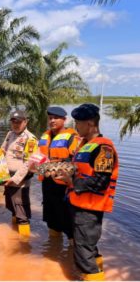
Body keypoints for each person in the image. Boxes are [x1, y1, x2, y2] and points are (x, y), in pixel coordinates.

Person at [57, 103, 119, 281]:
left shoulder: (104, 148)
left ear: (90, 123)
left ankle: (93, 275)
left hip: (90, 209)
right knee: (88, 248)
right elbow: (80, 169)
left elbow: (101, 182)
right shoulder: (84, 145)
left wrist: (71, 181)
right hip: (77, 203)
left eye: (78, 123)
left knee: (83, 254)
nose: (75, 127)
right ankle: (99, 269)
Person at [38, 106, 79, 241]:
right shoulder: (45, 136)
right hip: (47, 183)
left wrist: (50, 168)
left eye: (56, 118)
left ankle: (73, 250)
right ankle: (53, 249)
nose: (52, 121)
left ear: (64, 120)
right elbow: (38, 158)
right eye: (50, 118)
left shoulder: (72, 137)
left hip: (63, 185)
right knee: (51, 218)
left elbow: (75, 162)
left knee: (67, 219)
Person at [1, 110, 38, 236]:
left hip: (20, 181)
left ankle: (24, 242)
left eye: (19, 122)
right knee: (12, 207)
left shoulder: (30, 139)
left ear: (25, 122)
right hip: (7, 177)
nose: (16, 124)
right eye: (13, 122)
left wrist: (15, 179)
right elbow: (3, 150)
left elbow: (28, 163)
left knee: (21, 211)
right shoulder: (10, 134)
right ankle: (13, 235)